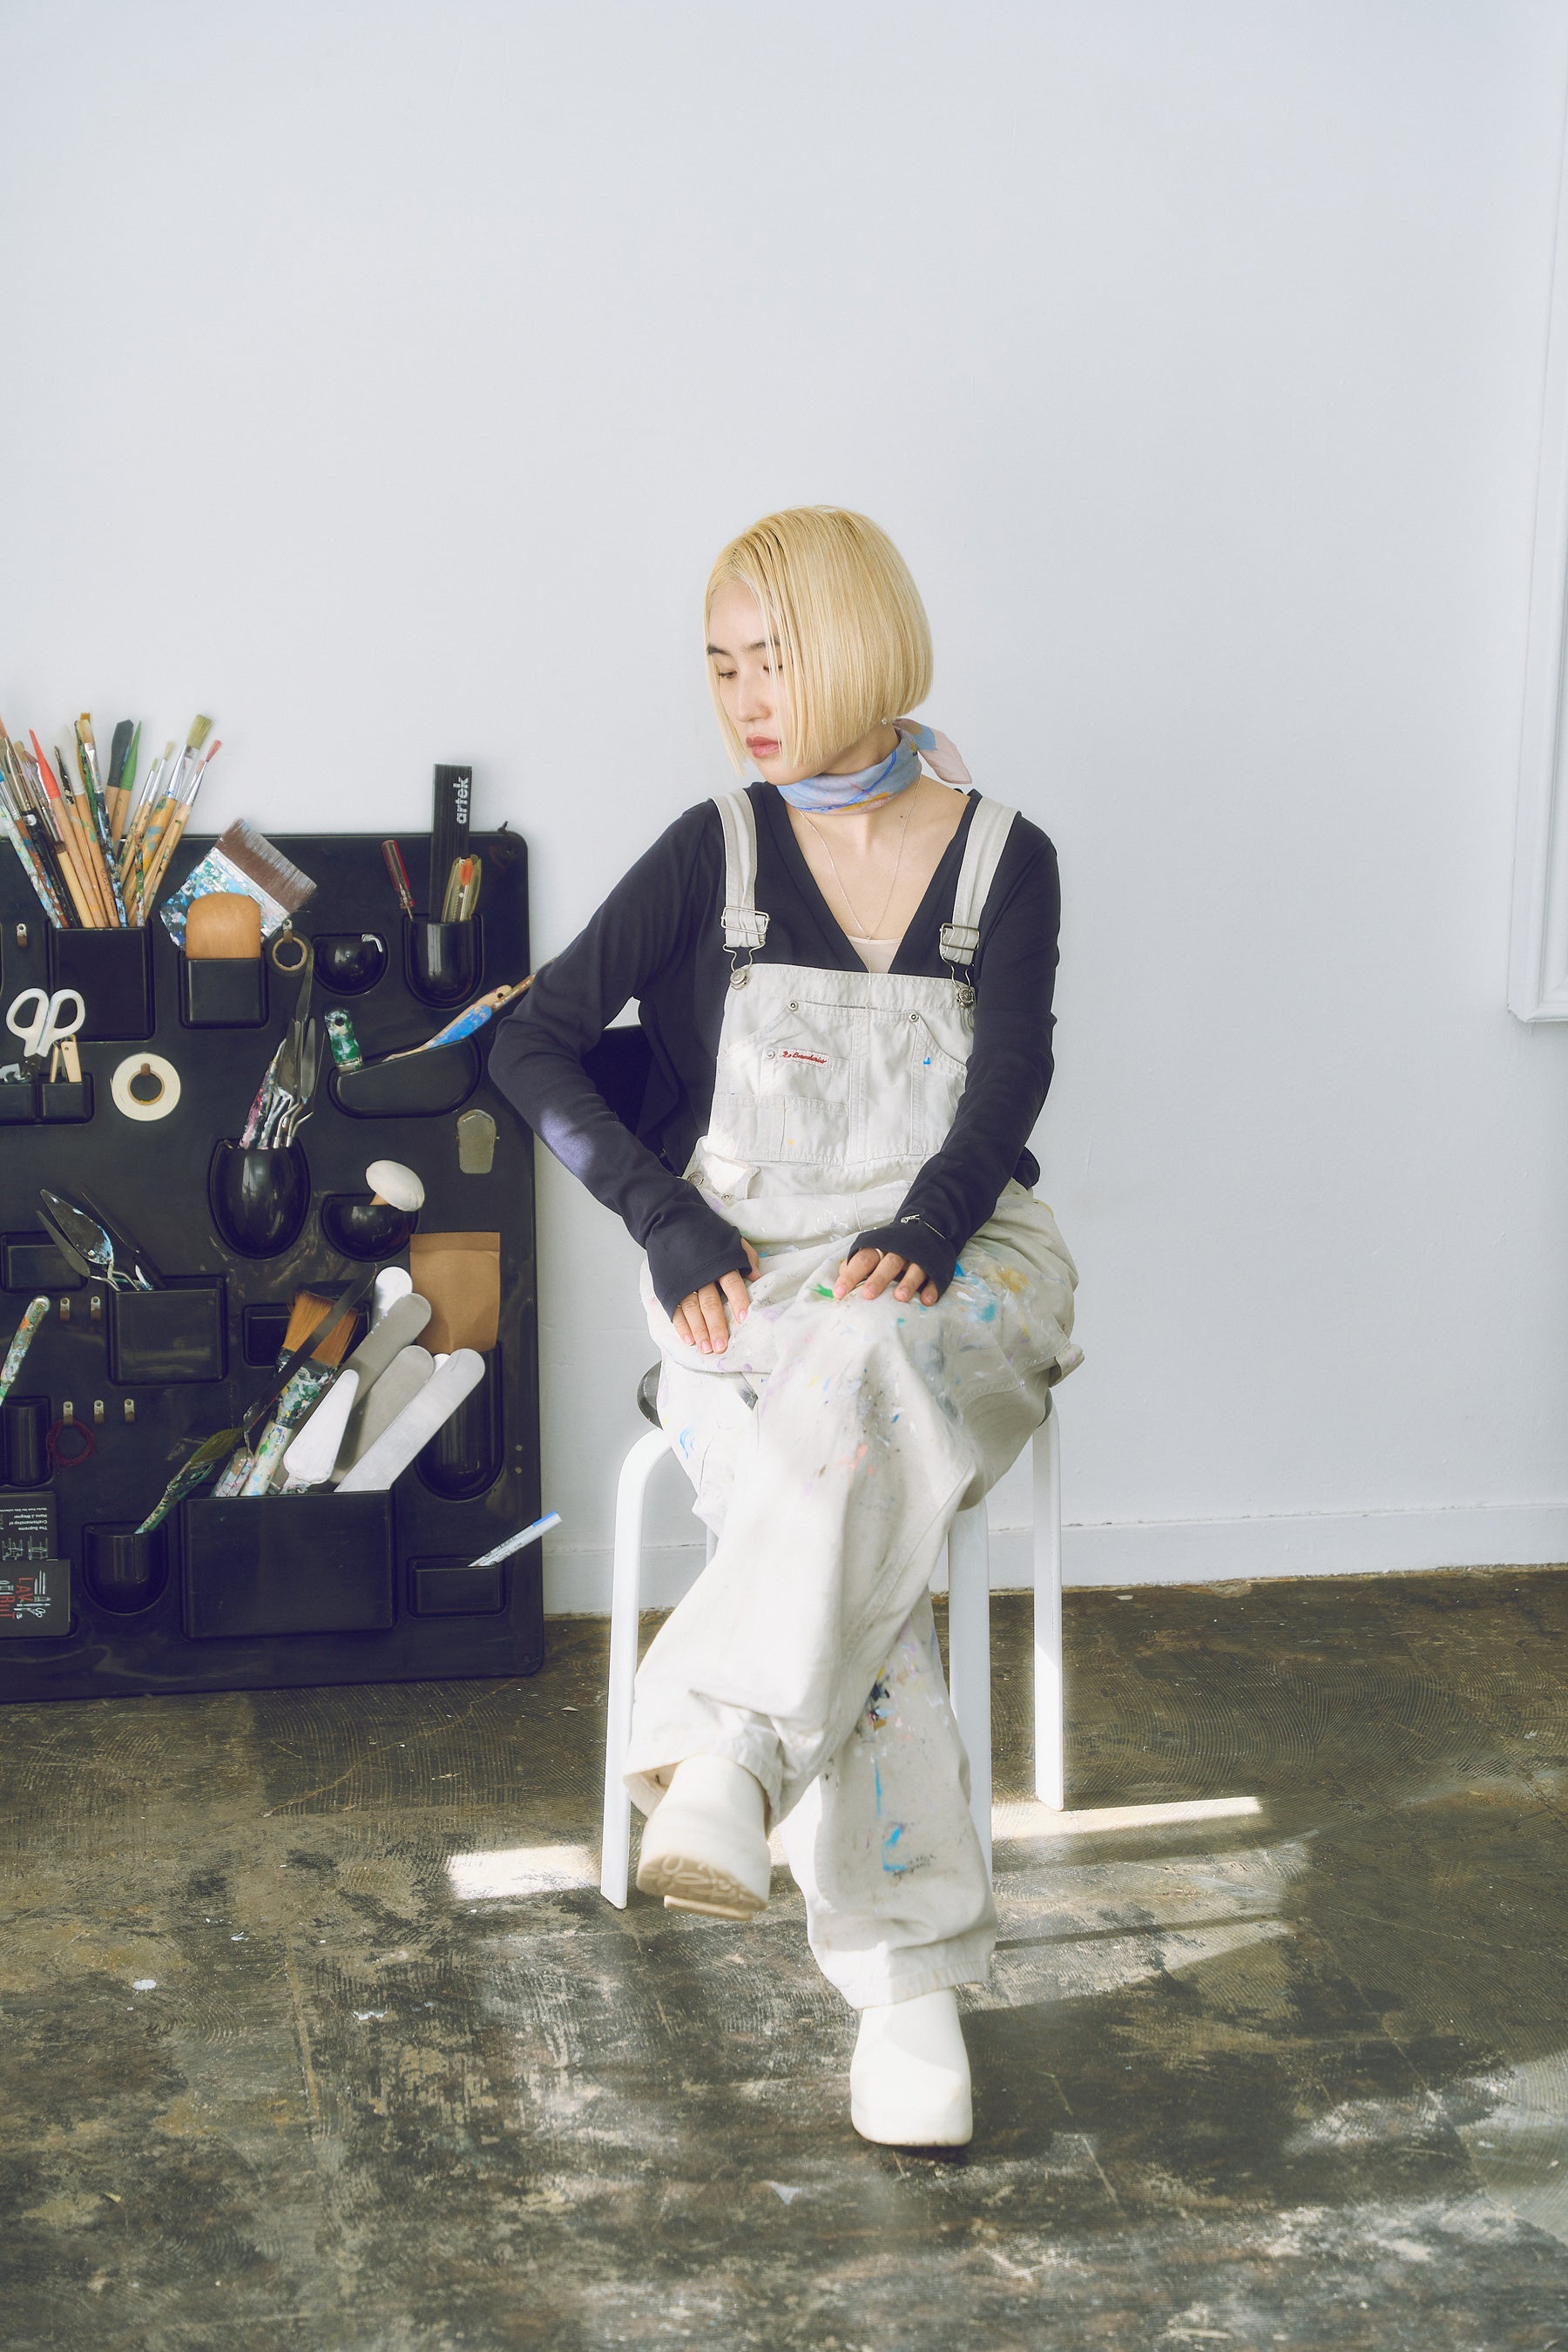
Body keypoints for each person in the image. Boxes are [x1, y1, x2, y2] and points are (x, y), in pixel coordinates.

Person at [490, 506, 1079, 2147]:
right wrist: (664, 1218)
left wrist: (929, 1226)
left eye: (777, 661)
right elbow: (530, 1042)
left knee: (864, 1382)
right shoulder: (714, 850)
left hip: (961, 1254)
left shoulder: (1006, 856)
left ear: (865, 651)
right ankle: (907, 1994)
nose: (746, 700)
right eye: (723, 666)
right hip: (744, 1272)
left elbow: (1013, 1078)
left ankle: (725, 1752)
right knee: (849, 1490)